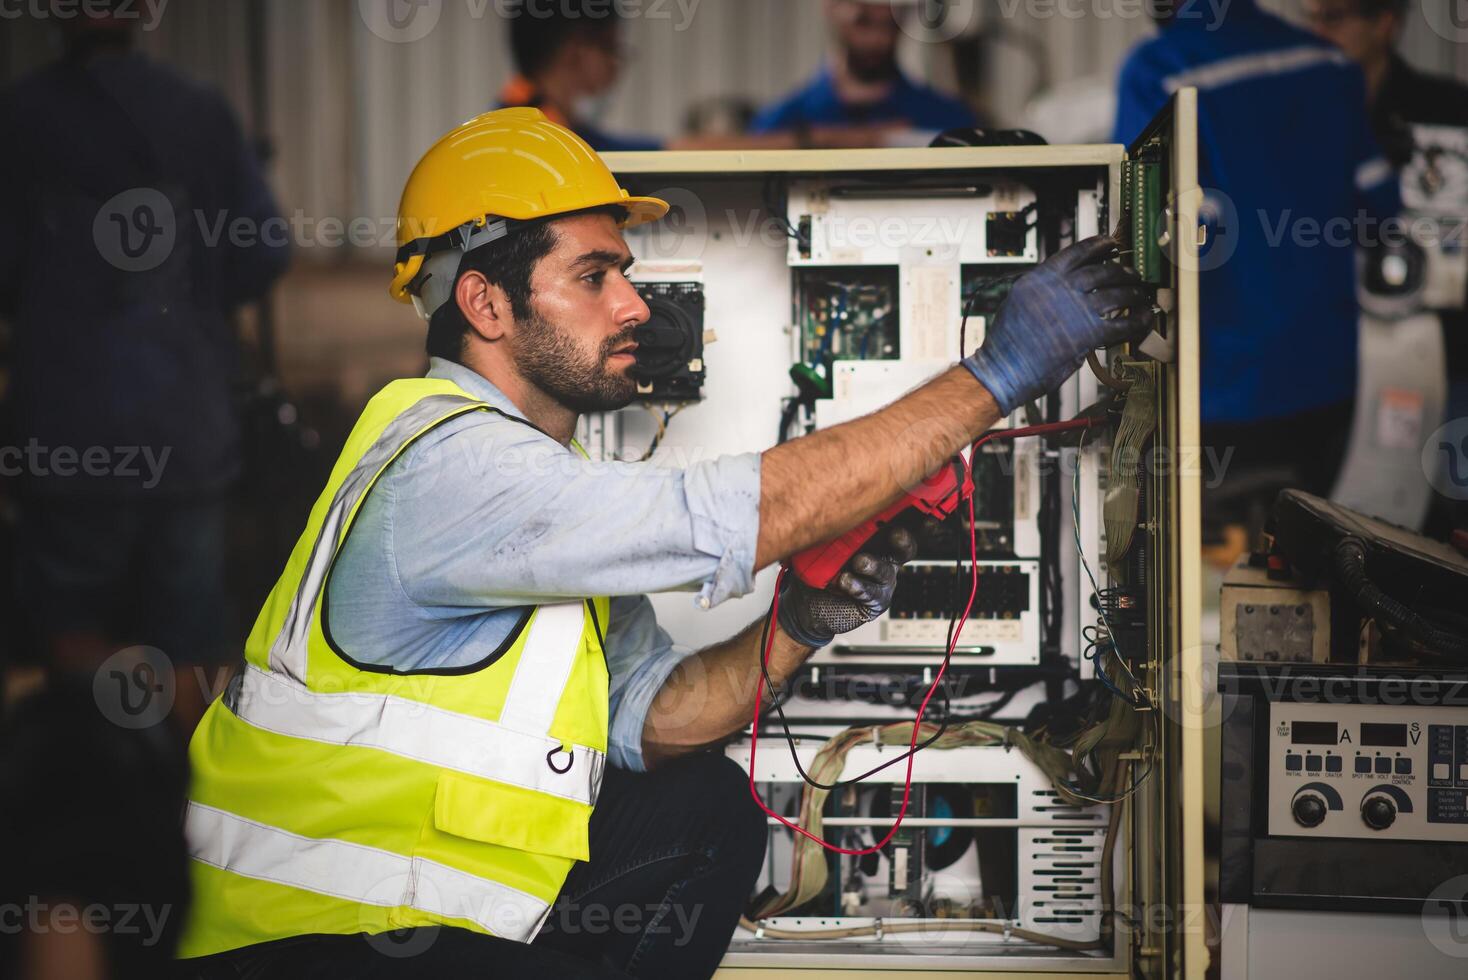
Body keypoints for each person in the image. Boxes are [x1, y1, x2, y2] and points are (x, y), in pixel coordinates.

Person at [173, 107, 1152, 979]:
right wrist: (1002, 368)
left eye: (625, 276)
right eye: (592, 277)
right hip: (314, 943)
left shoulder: (536, 488)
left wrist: (798, 625)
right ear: (483, 304)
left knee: (702, 810)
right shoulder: (454, 468)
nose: (635, 305)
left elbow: (650, 718)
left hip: (433, 912)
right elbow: (734, 511)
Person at [0, 7, 289, 730]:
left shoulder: (21, 118)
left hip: (68, 435)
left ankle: (89, 805)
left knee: (70, 627)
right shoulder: (199, 112)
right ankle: (173, 817)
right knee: (190, 643)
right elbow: (267, 248)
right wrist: (194, 308)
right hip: (185, 429)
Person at [1113, 0, 1401, 539]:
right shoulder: (1329, 64)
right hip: (1331, 383)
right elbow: (1379, 211)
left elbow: (1145, 233)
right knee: (1316, 565)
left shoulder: (1159, 69)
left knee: (1218, 587)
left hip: (1223, 388)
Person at [750, 0, 976, 144]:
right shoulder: (778, 124)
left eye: (889, 23)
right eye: (864, 21)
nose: (878, 40)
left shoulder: (948, 121)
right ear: (830, 7)